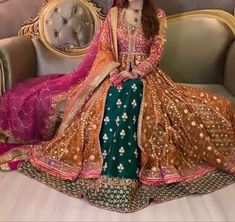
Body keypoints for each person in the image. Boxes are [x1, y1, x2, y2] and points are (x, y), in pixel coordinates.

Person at [1, 0, 235, 213]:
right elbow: (105, 51)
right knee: (118, 95)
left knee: (157, 97)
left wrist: (135, 72)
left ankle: (124, 178)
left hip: (147, 78)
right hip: (113, 77)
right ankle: (114, 175)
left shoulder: (158, 16)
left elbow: (156, 54)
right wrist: (114, 70)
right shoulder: (114, 15)